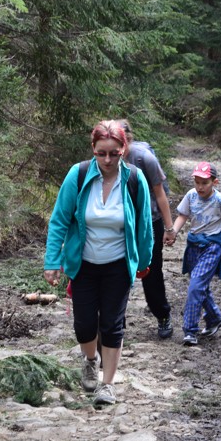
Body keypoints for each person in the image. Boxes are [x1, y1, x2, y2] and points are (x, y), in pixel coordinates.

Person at [44, 120, 154, 406]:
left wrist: (144, 260)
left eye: (114, 153)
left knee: (112, 323)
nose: (107, 160)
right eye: (101, 153)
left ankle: (108, 385)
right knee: (83, 324)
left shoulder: (134, 179)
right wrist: (52, 261)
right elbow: (59, 220)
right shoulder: (78, 175)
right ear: (93, 150)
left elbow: (143, 225)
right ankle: (90, 359)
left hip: (118, 263)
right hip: (83, 263)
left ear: (123, 149)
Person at [167, 162, 221, 346]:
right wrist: (173, 231)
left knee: (195, 286)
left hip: (212, 247)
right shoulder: (191, 195)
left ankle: (190, 330)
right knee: (199, 286)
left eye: (204, 183)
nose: (200, 187)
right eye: (197, 182)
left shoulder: (220, 200)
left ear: (215, 182)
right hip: (193, 246)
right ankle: (215, 317)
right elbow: (183, 215)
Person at [116, 119, 176, 339]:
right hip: (120, 222)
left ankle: (162, 315)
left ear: (127, 140)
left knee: (151, 272)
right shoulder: (106, 158)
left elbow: (160, 194)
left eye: (119, 143)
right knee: (119, 271)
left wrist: (169, 228)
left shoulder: (144, 159)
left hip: (150, 221)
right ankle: (116, 321)